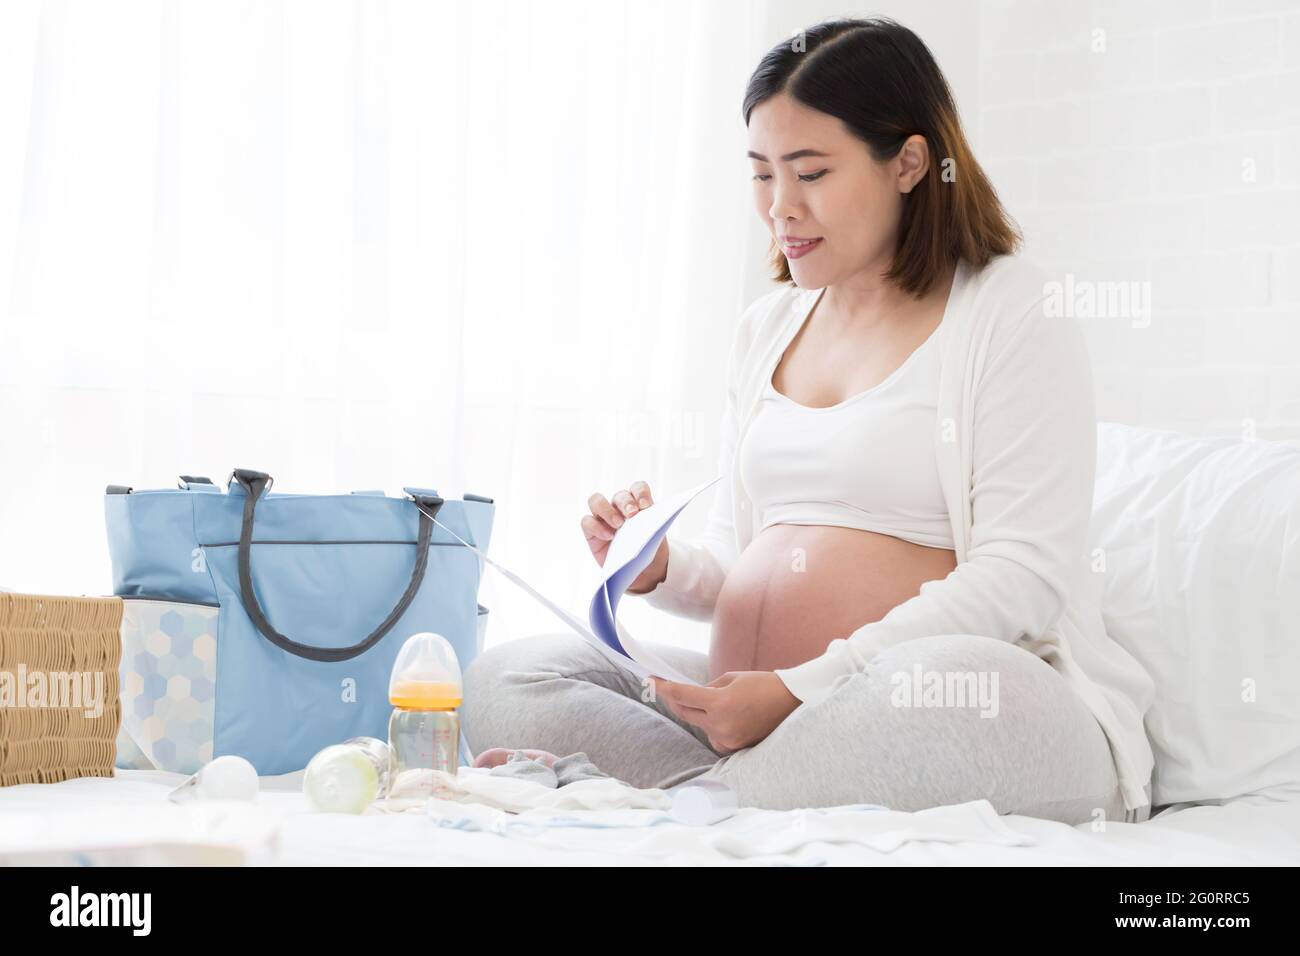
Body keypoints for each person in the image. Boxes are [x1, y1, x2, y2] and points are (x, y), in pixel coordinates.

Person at [462, 16, 1156, 824]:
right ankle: (725, 799)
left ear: (908, 162)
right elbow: (737, 558)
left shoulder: (1009, 310)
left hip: (945, 705)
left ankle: (668, 801)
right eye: (761, 174)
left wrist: (802, 687)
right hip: (762, 726)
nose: (779, 208)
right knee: (511, 676)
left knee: (948, 685)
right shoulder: (769, 328)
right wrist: (661, 568)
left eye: (811, 172)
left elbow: (1021, 580)